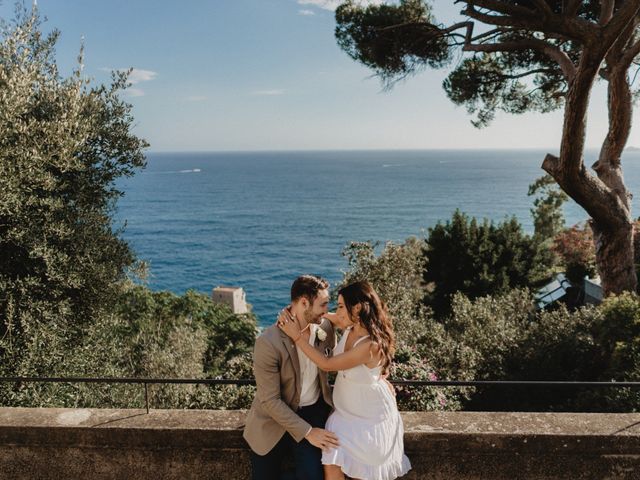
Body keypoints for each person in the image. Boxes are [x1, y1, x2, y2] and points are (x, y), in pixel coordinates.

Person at [278, 280, 411, 480]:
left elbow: (327, 364)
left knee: (361, 473)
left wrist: (296, 336)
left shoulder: (370, 345)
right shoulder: (349, 324)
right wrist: (294, 312)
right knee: (331, 463)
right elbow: (319, 315)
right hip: (344, 414)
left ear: (356, 308)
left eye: (340, 306)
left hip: (368, 417)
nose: (336, 311)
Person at [243, 274, 339, 480]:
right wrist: (308, 432)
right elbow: (270, 400)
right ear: (304, 303)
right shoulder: (268, 342)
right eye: (323, 305)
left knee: (313, 476)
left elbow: (342, 357)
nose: (326, 310)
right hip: (272, 419)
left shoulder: (326, 328)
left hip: (313, 411)